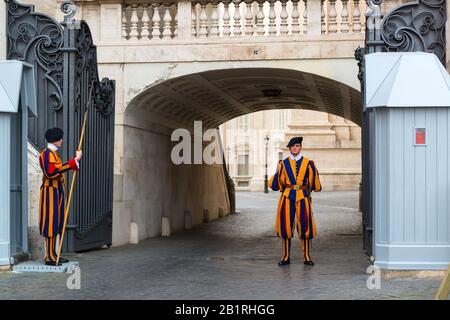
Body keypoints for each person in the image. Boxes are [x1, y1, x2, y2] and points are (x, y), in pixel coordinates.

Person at [268, 136, 322, 266]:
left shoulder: (309, 163)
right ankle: (285, 256)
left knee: (305, 225)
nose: (295, 148)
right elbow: (275, 184)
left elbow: (316, 185)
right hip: (287, 197)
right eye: (292, 146)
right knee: (285, 227)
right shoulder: (282, 164)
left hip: (303, 196)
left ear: (300, 147)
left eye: (297, 146)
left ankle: (307, 257)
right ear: (290, 149)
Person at [38, 127, 82, 266]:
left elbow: (58, 169)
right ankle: (49, 256)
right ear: (55, 140)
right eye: (60, 138)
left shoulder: (54, 155)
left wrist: (72, 163)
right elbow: (51, 172)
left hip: (57, 192)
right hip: (50, 192)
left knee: (56, 223)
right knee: (50, 224)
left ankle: (54, 254)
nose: (62, 141)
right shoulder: (46, 155)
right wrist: (73, 161)